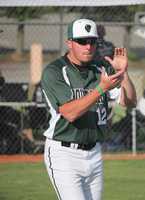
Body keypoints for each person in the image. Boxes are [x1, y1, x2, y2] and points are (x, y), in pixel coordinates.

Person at [41, 18, 137, 200]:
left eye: (92, 41)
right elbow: (70, 113)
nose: (88, 46)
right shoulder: (55, 71)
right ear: (69, 42)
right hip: (64, 153)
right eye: (82, 41)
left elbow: (130, 101)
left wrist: (122, 74)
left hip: (94, 153)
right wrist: (101, 88)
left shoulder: (100, 69)